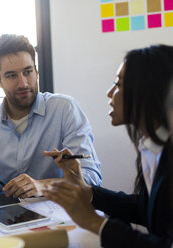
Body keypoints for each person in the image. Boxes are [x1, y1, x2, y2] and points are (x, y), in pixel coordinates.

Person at [43, 44, 173, 247]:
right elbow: (144, 208)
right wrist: (87, 191)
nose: (109, 93)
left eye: (118, 85)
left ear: (146, 92)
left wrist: (94, 222)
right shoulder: (152, 147)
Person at [0, 34, 102, 199]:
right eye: (12, 75)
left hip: (57, 210)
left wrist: (43, 186)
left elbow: (92, 177)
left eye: (28, 72)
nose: (23, 83)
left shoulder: (65, 109)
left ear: (36, 72)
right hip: (2, 214)